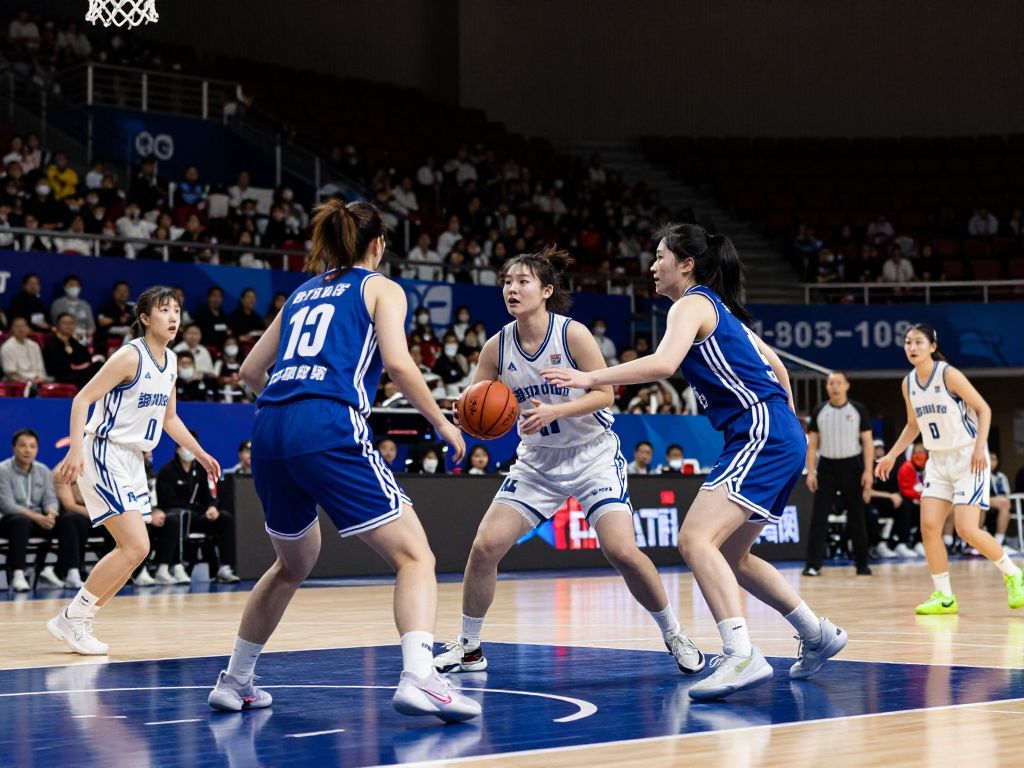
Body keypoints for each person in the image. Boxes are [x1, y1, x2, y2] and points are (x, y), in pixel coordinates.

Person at [542, 224, 846, 700]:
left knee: (694, 538)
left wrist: (588, 376)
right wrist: (791, 427)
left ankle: (741, 653)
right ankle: (817, 634)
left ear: (686, 263)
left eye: (660, 255)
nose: (652, 265)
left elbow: (662, 365)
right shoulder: (717, 309)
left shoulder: (692, 303)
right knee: (731, 555)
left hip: (761, 428)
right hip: (776, 430)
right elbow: (779, 367)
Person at [207, 199, 478, 722]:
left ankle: (236, 679)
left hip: (269, 428)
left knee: (293, 563)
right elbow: (397, 362)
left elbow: (247, 371)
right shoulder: (381, 287)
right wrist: (442, 423)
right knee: (415, 557)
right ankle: (422, 677)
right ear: (378, 244)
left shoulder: (302, 292)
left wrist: (290, 405)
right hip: (326, 423)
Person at [434, 247, 706, 681]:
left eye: (522, 281)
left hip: (592, 454)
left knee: (620, 550)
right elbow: (476, 403)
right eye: (507, 281)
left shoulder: (573, 335)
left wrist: (556, 411)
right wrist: (465, 415)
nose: (512, 289)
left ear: (545, 290)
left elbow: (605, 395)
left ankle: (675, 634)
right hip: (538, 462)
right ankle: (468, 649)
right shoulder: (496, 346)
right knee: (485, 546)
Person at [48, 286, 222, 655]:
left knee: (135, 551)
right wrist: (77, 448)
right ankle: (73, 618)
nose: (173, 317)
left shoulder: (172, 361)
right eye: (164, 310)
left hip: (133, 459)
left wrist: (201, 452)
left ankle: (78, 617)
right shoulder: (130, 356)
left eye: (176, 309)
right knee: (136, 545)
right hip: (103, 451)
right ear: (145, 318)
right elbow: (82, 399)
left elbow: (170, 419)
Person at [875, 323, 1024, 615]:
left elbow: (984, 409)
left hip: (968, 457)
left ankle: (1014, 574)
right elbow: (913, 425)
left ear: (932, 346)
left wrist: (980, 447)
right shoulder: (907, 383)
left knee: (966, 529)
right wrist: (892, 455)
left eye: (918, 342)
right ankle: (944, 596)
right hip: (937, 460)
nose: (912, 347)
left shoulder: (948, 374)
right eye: (907, 342)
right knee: (930, 527)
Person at [802, 371, 874, 577]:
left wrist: (868, 471)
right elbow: (813, 444)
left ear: (847, 386)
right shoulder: (819, 411)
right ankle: (813, 565)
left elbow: (868, 442)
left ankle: (862, 564)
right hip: (826, 468)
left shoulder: (858, 409)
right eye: (831, 383)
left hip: (852, 466)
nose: (835, 386)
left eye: (838, 383)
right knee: (819, 517)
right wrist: (811, 471)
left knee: (857, 517)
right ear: (827, 387)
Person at [0, 429, 86, 592]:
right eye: (23, 446)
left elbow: (50, 499)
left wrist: (51, 513)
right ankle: (18, 574)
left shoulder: (43, 471)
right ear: (14, 448)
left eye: (32, 446)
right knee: (21, 522)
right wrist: (37, 517)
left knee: (71, 519)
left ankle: (71, 572)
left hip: (39, 519)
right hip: (10, 521)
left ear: (37, 450)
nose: (27, 450)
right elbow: (6, 504)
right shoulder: (3, 470)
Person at [156, 439, 239, 583]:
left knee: (225, 518)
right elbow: (166, 500)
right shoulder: (167, 471)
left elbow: (210, 493)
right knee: (183, 516)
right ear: (177, 449)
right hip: (177, 515)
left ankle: (225, 567)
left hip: (197, 516)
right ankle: (177, 566)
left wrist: (212, 507)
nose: (188, 451)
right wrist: (189, 508)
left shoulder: (201, 470)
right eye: (185, 446)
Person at [865, 439, 916, 559]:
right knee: (871, 513)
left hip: (885, 501)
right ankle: (878, 544)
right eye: (876, 448)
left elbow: (894, 487)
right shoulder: (866, 467)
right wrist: (890, 496)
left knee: (905, 506)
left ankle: (901, 543)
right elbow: (866, 493)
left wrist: (896, 495)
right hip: (871, 501)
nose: (879, 451)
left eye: (881, 448)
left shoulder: (888, 467)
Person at [44, 313, 97, 391]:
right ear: (57, 325)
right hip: (60, 376)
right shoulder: (51, 343)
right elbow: (53, 367)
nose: (68, 326)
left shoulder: (75, 343)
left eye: (71, 323)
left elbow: (86, 359)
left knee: (98, 367)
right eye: (64, 323)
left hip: (77, 375)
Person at [1, 317, 48, 385]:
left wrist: (41, 379)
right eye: (17, 326)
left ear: (28, 328)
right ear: (12, 329)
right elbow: (10, 373)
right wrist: (29, 381)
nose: (21, 329)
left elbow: (41, 368)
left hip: (38, 381)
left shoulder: (34, 345)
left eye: (23, 326)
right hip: (19, 384)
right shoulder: (7, 347)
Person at [986, 452, 1015, 554]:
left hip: (999, 503)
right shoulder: (980, 474)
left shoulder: (1001, 477)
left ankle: (999, 542)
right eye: (990, 459)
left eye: (995, 460)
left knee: (1005, 504)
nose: (992, 462)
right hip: (982, 501)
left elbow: (1006, 495)